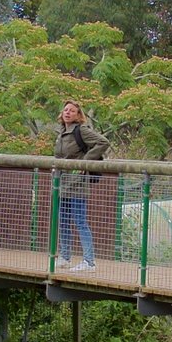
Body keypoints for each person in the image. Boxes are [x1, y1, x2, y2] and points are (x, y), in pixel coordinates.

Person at [52, 101, 109, 271]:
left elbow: (103, 142)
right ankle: (65, 257)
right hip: (62, 182)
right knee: (63, 220)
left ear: (78, 115)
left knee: (80, 221)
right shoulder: (61, 132)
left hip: (77, 183)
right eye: (66, 110)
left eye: (72, 111)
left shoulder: (81, 130)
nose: (68, 113)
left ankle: (89, 261)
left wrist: (85, 162)